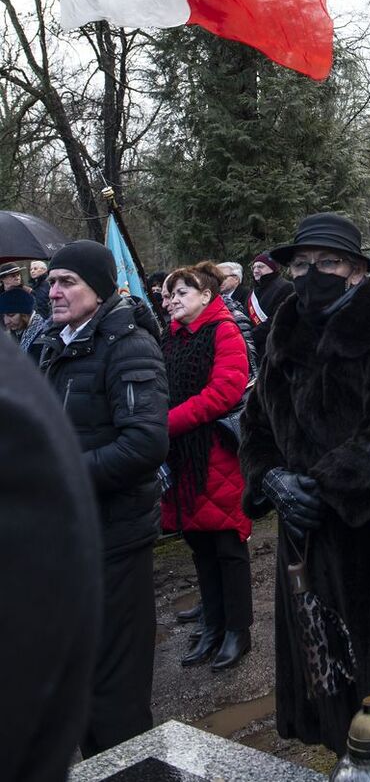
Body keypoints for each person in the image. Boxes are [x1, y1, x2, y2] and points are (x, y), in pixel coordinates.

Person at [239, 213, 370, 768]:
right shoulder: (285, 326)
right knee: (326, 677)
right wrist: (271, 479)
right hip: (306, 543)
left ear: (354, 272)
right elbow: (256, 423)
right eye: (300, 264)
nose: (310, 274)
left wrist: (323, 488)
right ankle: (347, 761)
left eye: (326, 263)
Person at [38, 240, 169, 757]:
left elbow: (144, 443)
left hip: (115, 537)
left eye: (67, 281)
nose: (54, 291)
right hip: (70, 538)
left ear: (100, 288)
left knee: (116, 692)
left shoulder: (128, 345)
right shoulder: (57, 341)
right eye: (51, 281)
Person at [0, 333, 102, 782]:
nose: (53, 292)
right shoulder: (46, 346)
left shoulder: (10, 412)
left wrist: (82, 466)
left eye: (66, 281)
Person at [163, 261, 253, 672]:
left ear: (206, 296)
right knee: (199, 545)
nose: (174, 300)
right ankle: (213, 625)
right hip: (184, 458)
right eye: (170, 293)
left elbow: (225, 390)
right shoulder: (173, 337)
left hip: (217, 455)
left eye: (183, 292)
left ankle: (238, 630)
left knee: (227, 546)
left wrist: (168, 422)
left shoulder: (225, 330)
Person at [247, 252, 293, 362]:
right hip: (252, 348)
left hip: (273, 348)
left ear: (273, 268)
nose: (256, 270)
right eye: (254, 267)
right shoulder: (252, 292)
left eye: (261, 266)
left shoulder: (286, 287)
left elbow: (279, 318)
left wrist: (250, 337)